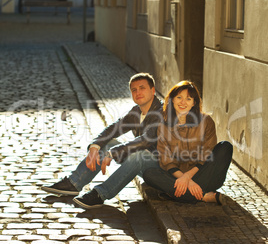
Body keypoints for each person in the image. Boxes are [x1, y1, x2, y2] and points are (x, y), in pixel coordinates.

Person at [41, 72, 162, 208]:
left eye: (142, 88)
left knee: (139, 155)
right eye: (134, 90)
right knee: (106, 144)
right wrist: (95, 146)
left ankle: (101, 194)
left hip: (160, 168)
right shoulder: (137, 111)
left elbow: (145, 141)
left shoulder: (162, 113)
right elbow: (114, 128)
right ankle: (74, 183)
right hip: (140, 163)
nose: (138, 92)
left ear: (153, 90)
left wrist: (113, 153)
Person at [143, 80, 233, 204]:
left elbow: (206, 154)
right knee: (149, 174)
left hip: (204, 174)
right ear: (172, 100)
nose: (183, 102)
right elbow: (166, 161)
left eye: (188, 99)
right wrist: (185, 179)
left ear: (194, 103)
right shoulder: (163, 125)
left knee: (225, 147)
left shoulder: (206, 121)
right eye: (179, 97)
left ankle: (176, 193)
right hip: (177, 177)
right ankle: (203, 196)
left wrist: (188, 177)